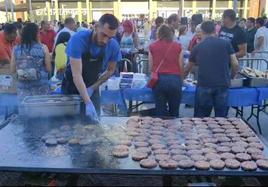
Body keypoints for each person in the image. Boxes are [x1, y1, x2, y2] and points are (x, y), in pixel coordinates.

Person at [62, 14, 121, 121]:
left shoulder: (113, 46)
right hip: (71, 88)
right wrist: (88, 102)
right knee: (70, 125)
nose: (105, 41)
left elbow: (111, 70)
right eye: (103, 35)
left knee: (94, 126)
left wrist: (93, 88)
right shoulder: (78, 40)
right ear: (96, 27)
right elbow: (77, 75)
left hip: (92, 87)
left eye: (110, 37)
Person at [184, 21, 239, 117]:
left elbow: (187, 68)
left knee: (201, 119)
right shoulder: (226, 44)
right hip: (223, 84)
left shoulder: (197, 47)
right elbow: (235, 63)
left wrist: (181, 79)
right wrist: (232, 76)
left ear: (202, 31)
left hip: (204, 85)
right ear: (214, 30)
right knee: (221, 119)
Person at [149, 24, 184, 117]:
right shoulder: (178, 46)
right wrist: (182, 80)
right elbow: (181, 65)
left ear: (159, 33)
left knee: (160, 111)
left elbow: (151, 66)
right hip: (175, 80)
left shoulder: (152, 46)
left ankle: (160, 130)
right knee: (174, 111)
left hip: (159, 80)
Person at [10, 23, 52, 101]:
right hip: (41, 86)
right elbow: (49, 69)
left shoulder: (16, 49)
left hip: (23, 88)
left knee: (25, 111)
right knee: (41, 109)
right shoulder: (43, 48)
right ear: (36, 34)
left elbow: (12, 70)